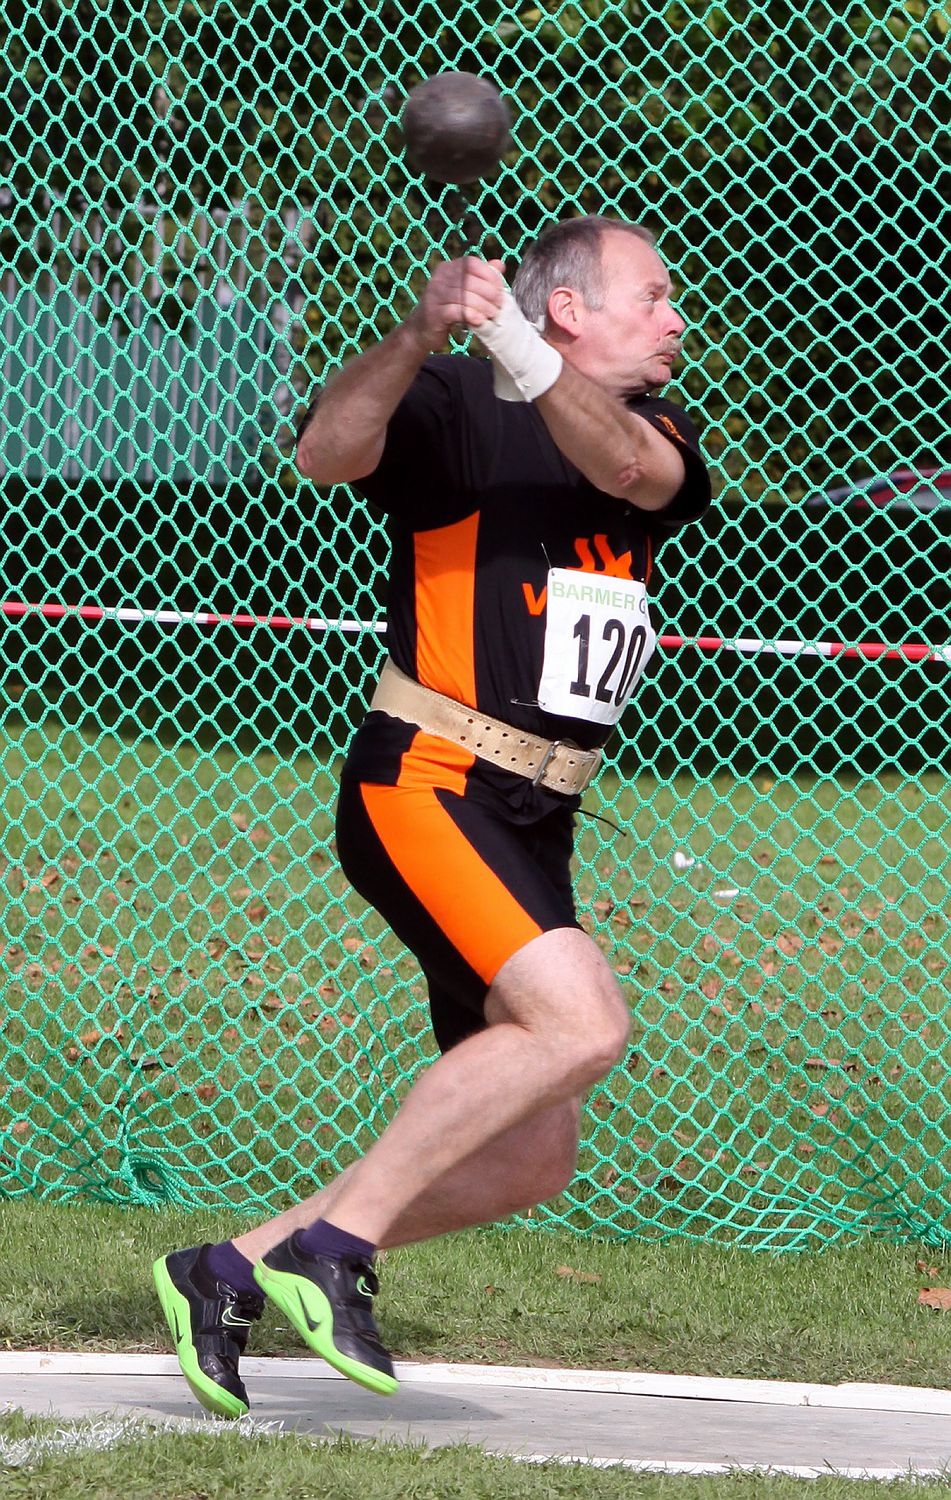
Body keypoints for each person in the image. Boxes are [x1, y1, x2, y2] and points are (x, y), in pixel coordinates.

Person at [153, 214, 712, 1418]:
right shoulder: (456, 405)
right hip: (429, 778)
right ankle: (334, 1248)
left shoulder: (656, 429)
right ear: (569, 307)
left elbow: (631, 471)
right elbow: (325, 451)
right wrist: (419, 330)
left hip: (535, 817)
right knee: (583, 1024)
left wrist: (516, 342)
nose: (675, 319)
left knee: (532, 1154)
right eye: (653, 296)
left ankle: (228, 1269)